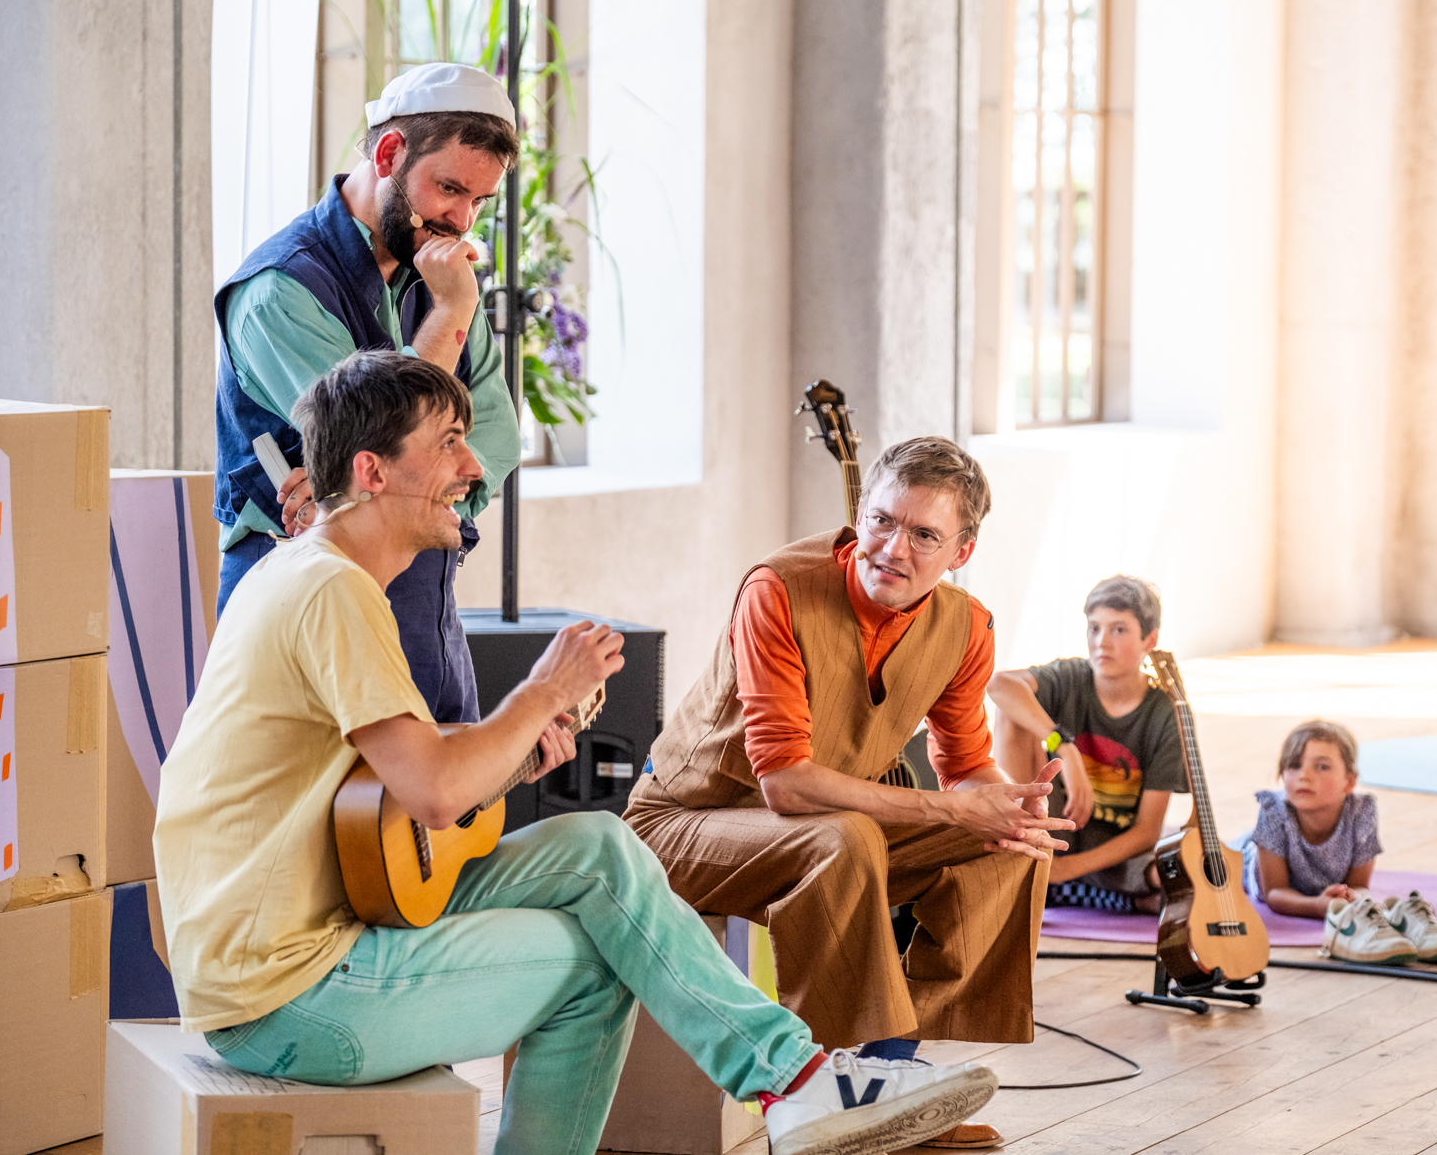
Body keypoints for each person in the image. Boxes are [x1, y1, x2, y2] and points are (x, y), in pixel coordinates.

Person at [154, 352, 996, 1155]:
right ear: (372, 471)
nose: (474, 467)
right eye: (448, 443)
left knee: (598, 844)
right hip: (288, 992)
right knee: (602, 959)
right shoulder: (333, 589)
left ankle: (794, 1077)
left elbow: (389, 788)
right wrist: (542, 693)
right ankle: (794, 1081)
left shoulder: (311, 570)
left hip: (316, 921)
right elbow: (436, 794)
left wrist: (517, 753)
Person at [624, 436, 1073, 1153]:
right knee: (847, 837)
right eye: (882, 520)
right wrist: (953, 805)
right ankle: (838, 1092)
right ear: (860, 513)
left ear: (962, 551)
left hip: (819, 825)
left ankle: (884, 1075)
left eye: (923, 533)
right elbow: (786, 781)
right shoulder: (776, 589)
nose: (893, 547)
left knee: (1010, 848)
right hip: (683, 822)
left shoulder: (966, 627)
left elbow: (964, 765)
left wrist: (1009, 804)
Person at [212, 62, 523, 722]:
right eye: (448, 189)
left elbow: (497, 432)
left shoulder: (438, 273)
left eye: (478, 203)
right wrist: (447, 320)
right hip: (306, 623)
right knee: (320, 821)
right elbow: (379, 426)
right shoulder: (278, 292)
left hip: (429, 620)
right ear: (388, 153)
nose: (461, 221)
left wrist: (381, 488)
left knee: (450, 817)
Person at [988, 575, 1186, 914]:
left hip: (1112, 855)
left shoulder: (1165, 714)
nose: (1101, 642)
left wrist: (1066, 870)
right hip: (1050, 834)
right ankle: (1032, 865)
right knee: (1013, 715)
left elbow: (1148, 831)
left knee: (1174, 872)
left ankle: (1058, 886)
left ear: (1149, 640)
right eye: (1094, 628)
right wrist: (1064, 746)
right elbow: (999, 685)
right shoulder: (1071, 676)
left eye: (1119, 630)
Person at [1241, 719, 1437, 964]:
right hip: (1246, 857)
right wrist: (1317, 906)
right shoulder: (1273, 810)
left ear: (1349, 781)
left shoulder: (1361, 812)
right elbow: (1274, 892)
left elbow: (1359, 885)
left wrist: (1349, 897)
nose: (1304, 775)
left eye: (1322, 767)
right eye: (1294, 765)